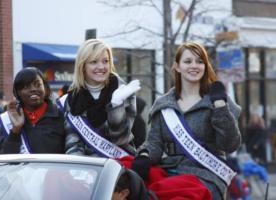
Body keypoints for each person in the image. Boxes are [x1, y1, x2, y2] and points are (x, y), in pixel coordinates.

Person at [131, 41, 241, 200]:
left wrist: (220, 107)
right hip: (170, 170)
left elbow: (230, 145)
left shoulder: (218, 101)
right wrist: (145, 155)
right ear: (177, 66)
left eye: (199, 61)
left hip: (206, 175)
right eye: (188, 61)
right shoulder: (164, 104)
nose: (194, 66)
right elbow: (154, 143)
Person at [57, 39, 140, 158]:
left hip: (118, 164)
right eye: (94, 62)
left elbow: (121, 139)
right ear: (83, 65)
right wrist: (78, 168)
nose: (101, 67)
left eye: (105, 61)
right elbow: (73, 142)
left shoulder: (123, 92)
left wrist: (116, 106)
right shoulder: (71, 99)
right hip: (86, 167)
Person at [0, 67, 66, 154]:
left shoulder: (61, 116)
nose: (33, 89)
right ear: (18, 92)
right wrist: (16, 130)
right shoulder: (9, 119)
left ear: (45, 88)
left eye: (38, 85)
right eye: (26, 87)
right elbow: (6, 160)